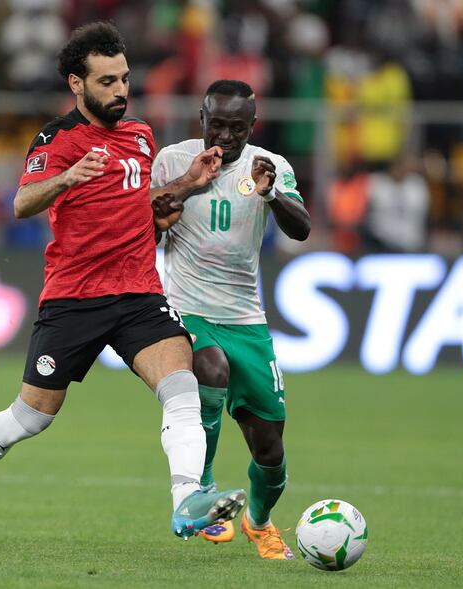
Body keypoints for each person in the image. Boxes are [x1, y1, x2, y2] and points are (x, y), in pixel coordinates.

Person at [0, 22, 246, 548]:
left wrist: (188, 184)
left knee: (182, 385)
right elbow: (22, 202)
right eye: (107, 82)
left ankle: (187, 501)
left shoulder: (141, 136)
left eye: (124, 79)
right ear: (76, 84)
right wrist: (67, 177)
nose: (121, 91)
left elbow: (141, 208)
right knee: (30, 418)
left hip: (138, 293)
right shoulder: (57, 141)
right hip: (73, 298)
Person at [151, 80, 311, 560]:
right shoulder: (173, 162)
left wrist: (271, 195)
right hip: (186, 307)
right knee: (210, 368)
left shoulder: (270, 167)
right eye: (216, 123)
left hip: (246, 317)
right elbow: (144, 230)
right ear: (201, 118)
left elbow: (301, 228)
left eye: (236, 127)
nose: (224, 135)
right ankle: (201, 487)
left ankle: (258, 523)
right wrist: (165, 213)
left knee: (270, 450)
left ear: (252, 126)